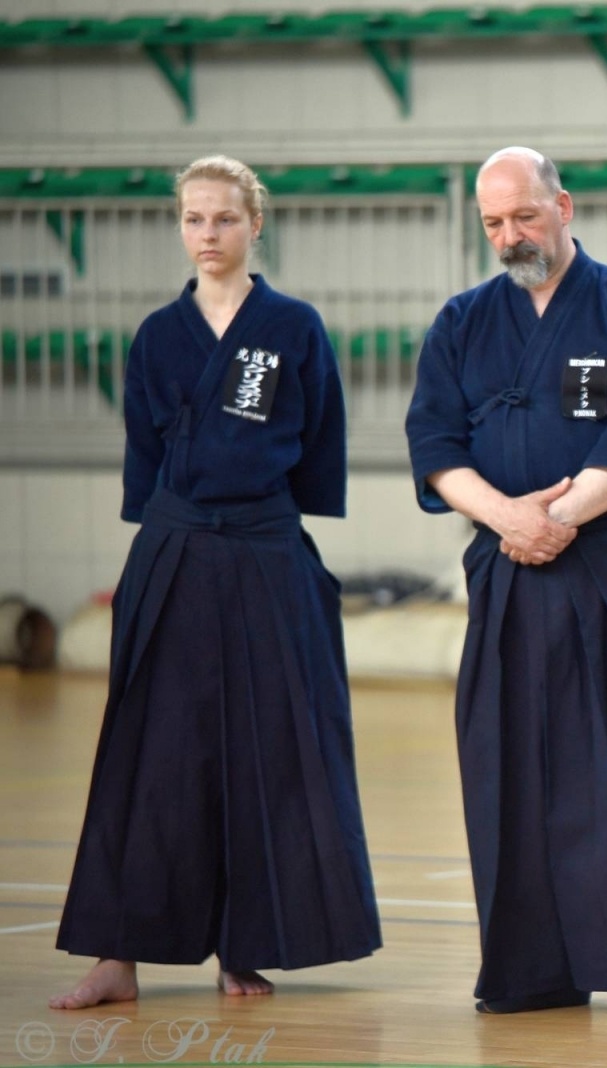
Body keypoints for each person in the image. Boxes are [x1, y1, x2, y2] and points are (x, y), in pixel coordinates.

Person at [51, 155, 380, 1009]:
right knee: (147, 755)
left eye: (224, 219)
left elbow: (319, 446)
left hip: (266, 551)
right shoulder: (158, 336)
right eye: (194, 219)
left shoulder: (292, 327)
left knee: (271, 751)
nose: (208, 234)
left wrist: (266, 517)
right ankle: (116, 956)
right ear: (180, 226)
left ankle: (246, 947)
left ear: (255, 224)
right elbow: (144, 456)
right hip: (178, 552)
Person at [405, 147, 607, 1014]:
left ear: (563, 205)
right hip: (508, 576)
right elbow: (434, 447)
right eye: (493, 223)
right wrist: (508, 519)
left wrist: (556, 521)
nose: (509, 236)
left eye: (524, 216)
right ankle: (532, 971)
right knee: (510, 768)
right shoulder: (462, 321)